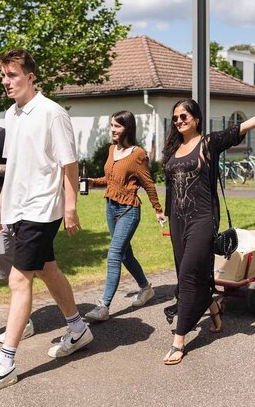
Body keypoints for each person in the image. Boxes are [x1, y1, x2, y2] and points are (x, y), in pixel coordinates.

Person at [0, 49, 93, 392]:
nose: (6, 82)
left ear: (31, 76)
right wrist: (0, 204)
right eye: (3, 76)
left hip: (42, 209)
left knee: (19, 280)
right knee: (47, 268)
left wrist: (70, 208)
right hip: (17, 207)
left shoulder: (52, 113)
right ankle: (78, 327)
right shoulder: (10, 114)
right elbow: (15, 165)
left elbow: (69, 164)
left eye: (13, 75)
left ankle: (6, 361)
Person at [162, 98, 255, 365]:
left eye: (184, 116)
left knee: (189, 273)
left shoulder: (209, 143)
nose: (179, 121)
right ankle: (213, 308)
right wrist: (165, 215)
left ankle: (179, 339)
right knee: (187, 271)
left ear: (197, 118)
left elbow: (238, 129)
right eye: (176, 117)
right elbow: (171, 187)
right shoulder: (173, 149)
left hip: (202, 219)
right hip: (178, 220)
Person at [85, 110, 166, 322]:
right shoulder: (112, 150)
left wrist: (158, 209)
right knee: (124, 255)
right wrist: (94, 181)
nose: (113, 129)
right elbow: (111, 178)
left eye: (117, 126)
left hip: (129, 210)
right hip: (111, 207)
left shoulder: (138, 154)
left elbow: (148, 183)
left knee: (113, 254)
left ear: (127, 128)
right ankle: (146, 288)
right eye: (112, 125)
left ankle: (103, 307)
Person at [0, 126, 34, 343]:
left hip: (1, 215)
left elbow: (15, 167)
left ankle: (24, 322)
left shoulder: (2, 135)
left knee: (9, 268)